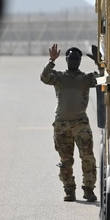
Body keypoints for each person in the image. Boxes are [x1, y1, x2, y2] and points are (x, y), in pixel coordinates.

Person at [41, 44, 99, 202]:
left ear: (80, 60)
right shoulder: (59, 77)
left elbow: (102, 78)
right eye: (71, 58)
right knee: (65, 161)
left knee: (88, 158)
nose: (73, 61)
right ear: (66, 59)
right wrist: (51, 61)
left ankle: (88, 190)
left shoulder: (86, 79)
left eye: (76, 58)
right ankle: (69, 190)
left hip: (81, 124)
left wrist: (100, 63)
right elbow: (44, 77)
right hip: (62, 125)